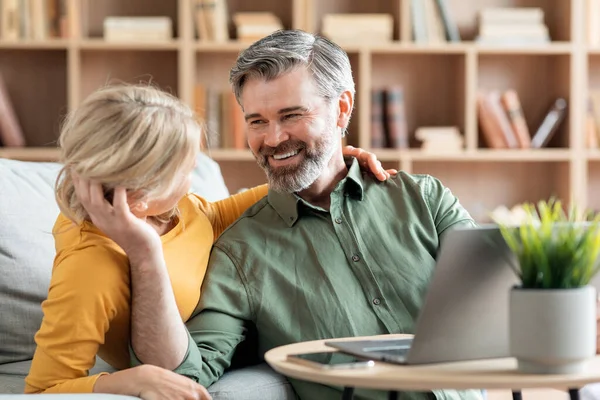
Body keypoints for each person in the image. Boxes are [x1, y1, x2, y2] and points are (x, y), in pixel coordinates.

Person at [76, 29, 481, 400]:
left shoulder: (424, 199)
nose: (272, 139)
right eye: (257, 121)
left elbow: (500, 307)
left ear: (341, 109)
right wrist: (144, 254)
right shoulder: (241, 249)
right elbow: (183, 374)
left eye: (291, 115)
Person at [24, 83, 393, 398]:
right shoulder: (90, 268)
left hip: (247, 316)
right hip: (212, 348)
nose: (191, 179)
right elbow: (43, 389)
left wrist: (327, 163)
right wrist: (129, 379)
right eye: (185, 170)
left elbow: (223, 213)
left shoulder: (178, 209)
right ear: (140, 192)